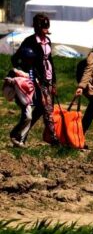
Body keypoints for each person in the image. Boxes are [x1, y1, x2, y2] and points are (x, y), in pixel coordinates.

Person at [10, 13, 58, 146]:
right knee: (42, 108)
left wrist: (54, 81)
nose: (46, 30)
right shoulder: (30, 41)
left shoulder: (48, 41)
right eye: (43, 27)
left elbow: (50, 61)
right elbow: (16, 59)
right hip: (36, 79)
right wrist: (25, 72)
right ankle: (51, 137)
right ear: (37, 27)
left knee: (44, 109)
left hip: (48, 78)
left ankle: (21, 135)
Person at [6, 47, 41, 147]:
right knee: (28, 116)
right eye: (28, 58)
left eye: (31, 58)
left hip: (30, 96)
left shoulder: (32, 69)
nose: (31, 60)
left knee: (27, 117)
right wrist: (12, 81)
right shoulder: (17, 69)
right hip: (20, 96)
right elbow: (8, 80)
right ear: (23, 59)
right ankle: (14, 134)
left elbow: (37, 80)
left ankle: (20, 140)